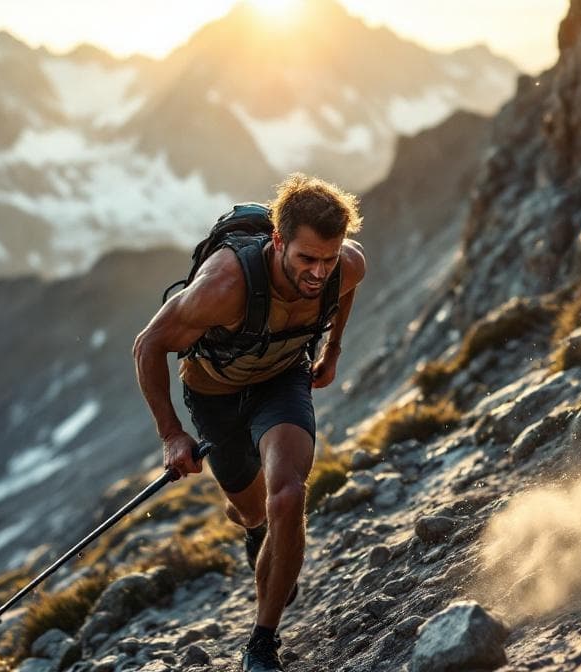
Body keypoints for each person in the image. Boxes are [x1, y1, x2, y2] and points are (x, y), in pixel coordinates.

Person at [133, 173, 365, 671]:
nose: (319, 273)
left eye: (328, 259)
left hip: (282, 381)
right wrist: (172, 434)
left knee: (288, 496)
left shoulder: (346, 267)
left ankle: (261, 643)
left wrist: (333, 349)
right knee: (253, 510)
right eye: (307, 258)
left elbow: (345, 289)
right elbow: (148, 345)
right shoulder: (223, 287)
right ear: (278, 240)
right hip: (215, 396)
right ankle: (256, 530)